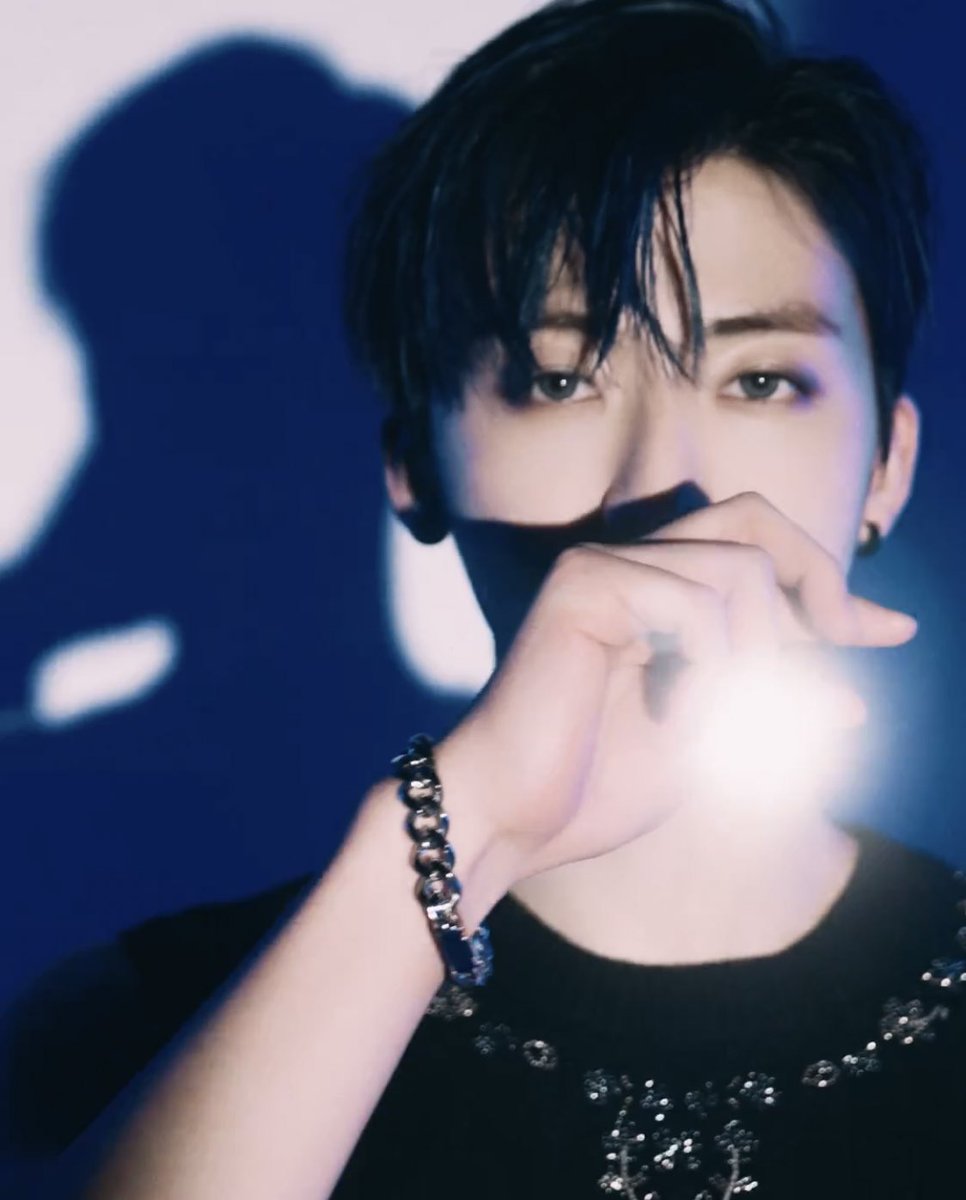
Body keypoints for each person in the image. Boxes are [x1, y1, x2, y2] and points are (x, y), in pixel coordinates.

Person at [5, 0, 961, 1196]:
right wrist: (469, 827)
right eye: (559, 380)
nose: (665, 488)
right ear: (414, 464)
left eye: (760, 380)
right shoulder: (144, 1018)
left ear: (889, 465)